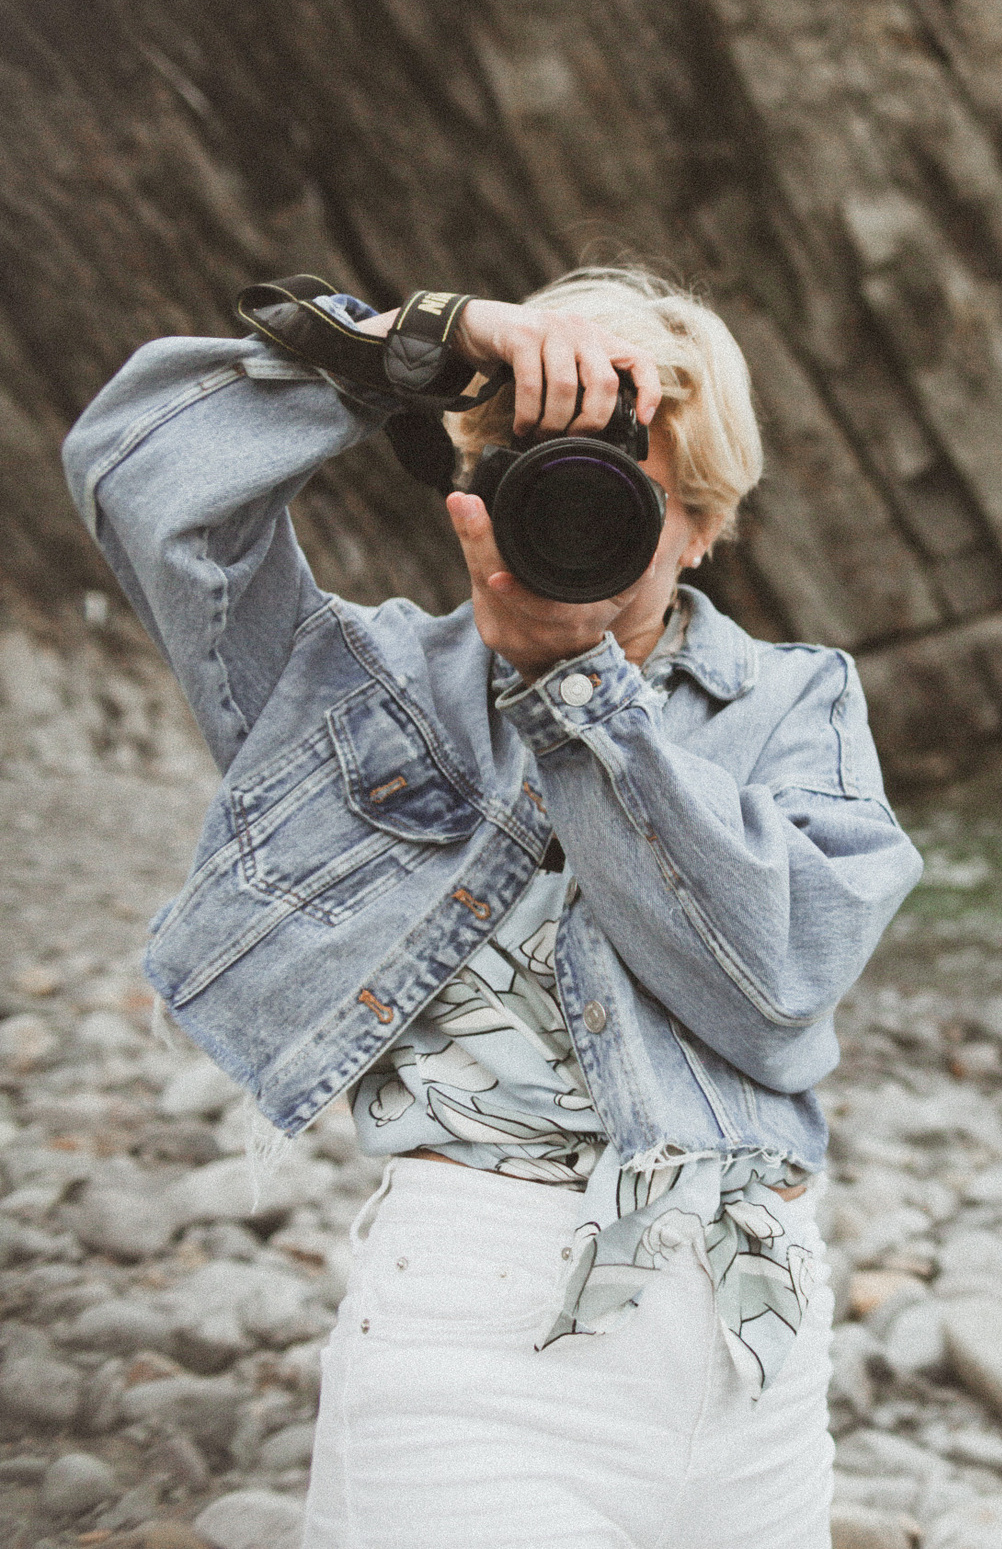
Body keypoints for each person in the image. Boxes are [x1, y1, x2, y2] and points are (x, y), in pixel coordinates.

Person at [63, 266, 922, 1546]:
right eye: (543, 465)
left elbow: (783, 978)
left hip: (761, 1353)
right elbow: (137, 470)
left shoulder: (795, 704)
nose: (588, 513)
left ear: (698, 526)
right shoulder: (351, 683)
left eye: (638, 490)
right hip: (479, 1322)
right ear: (473, 487)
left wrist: (583, 697)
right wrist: (417, 347)